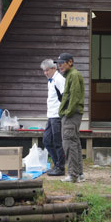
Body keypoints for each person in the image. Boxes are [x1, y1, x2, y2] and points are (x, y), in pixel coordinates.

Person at [54, 53, 85, 183]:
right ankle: (79, 174)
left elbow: (74, 97)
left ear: (70, 62)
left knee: (69, 144)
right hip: (72, 114)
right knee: (75, 143)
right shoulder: (70, 75)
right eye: (58, 64)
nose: (60, 66)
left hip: (71, 115)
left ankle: (73, 175)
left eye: (62, 63)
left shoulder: (74, 75)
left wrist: (67, 112)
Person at [40, 59, 65, 176]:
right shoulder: (50, 81)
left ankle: (60, 167)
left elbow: (65, 96)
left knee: (57, 142)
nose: (45, 73)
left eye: (47, 70)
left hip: (57, 115)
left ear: (53, 68)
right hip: (50, 115)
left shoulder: (59, 79)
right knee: (46, 140)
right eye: (44, 71)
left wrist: (63, 112)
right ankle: (56, 164)